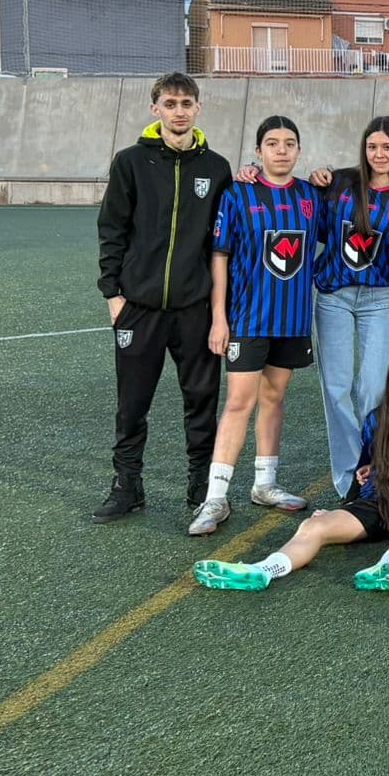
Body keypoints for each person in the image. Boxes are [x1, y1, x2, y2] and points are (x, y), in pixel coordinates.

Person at [193, 348, 389, 592]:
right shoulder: (378, 418)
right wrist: (346, 505)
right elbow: (365, 468)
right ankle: (263, 570)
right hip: (380, 501)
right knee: (314, 526)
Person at [96, 72, 232, 524]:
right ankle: (127, 485)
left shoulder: (216, 168)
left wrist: (220, 310)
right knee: (132, 403)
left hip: (195, 309)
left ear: (198, 108)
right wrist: (113, 295)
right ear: (155, 109)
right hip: (139, 308)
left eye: (186, 103)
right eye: (170, 104)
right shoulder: (130, 162)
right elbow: (112, 228)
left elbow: (223, 242)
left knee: (201, 401)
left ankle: (201, 486)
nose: (179, 111)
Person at [189, 115, 319, 537]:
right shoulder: (238, 194)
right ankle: (216, 497)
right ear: (258, 150)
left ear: (298, 149)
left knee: (274, 398)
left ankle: (265, 484)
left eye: (289, 143)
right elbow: (220, 256)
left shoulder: (311, 196)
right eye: (272, 143)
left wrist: (327, 175)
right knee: (238, 403)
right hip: (248, 319)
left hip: (292, 320)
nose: (281, 150)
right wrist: (219, 317)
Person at [313, 115, 389, 499]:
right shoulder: (340, 183)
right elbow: (311, 219)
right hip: (333, 296)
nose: (379, 154)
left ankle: (376, 465)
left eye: (387, 147)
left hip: (378, 298)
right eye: (372, 146)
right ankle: (349, 478)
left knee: (373, 388)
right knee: (336, 388)